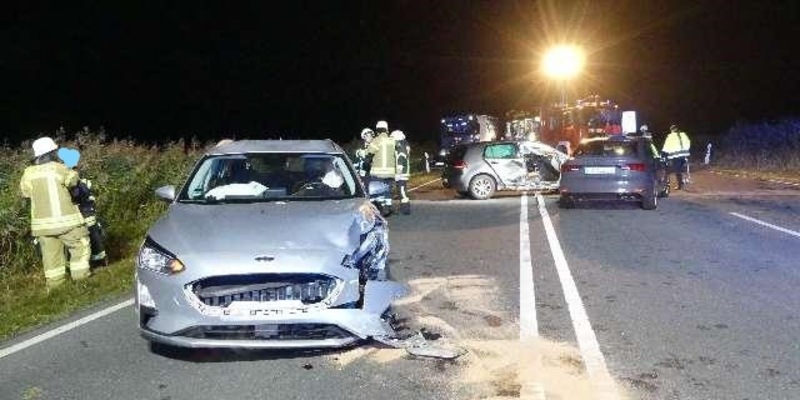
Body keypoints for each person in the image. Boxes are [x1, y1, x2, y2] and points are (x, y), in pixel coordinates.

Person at [20, 137, 91, 290]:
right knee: (80, 248)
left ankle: (56, 288)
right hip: (68, 223)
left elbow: (25, 193)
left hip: (43, 228)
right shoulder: (59, 168)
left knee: (51, 260)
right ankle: (81, 282)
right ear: (52, 152)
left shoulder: (28, 173)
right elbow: (74, 182)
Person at [57, 148, 107, 266]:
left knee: (91, 234)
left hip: (84, 212)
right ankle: (95, 260)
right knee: (88, 235)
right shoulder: (74, 177)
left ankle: (98, 260)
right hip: (83, 211)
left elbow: (77, 194)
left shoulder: (75, 179)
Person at [367, 121, 397, 208]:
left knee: (378, 191)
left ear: (377, 130)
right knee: (387, 190)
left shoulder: (376, 140)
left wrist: (367, 166)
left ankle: (381, 208)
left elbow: (369, 156)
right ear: (387, 130)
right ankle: (388, 207)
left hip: (378, 173)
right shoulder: (392, 141)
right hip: (390, 173)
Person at [661, 124, 691, 190]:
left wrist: (663, 154)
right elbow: (688, 142)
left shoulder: (671, 136)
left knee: (677, 171)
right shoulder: (683, 135)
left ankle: (680, 185)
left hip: (676, 156)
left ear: (671, 130)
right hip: (684, 155)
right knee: (681, 169)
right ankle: (683, 180)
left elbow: (666, 146)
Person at [391, 130, 411, 215]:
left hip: (402, 173)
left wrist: (398, 172)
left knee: (402, 191)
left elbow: (401, 157)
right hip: (404, 172)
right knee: (401, 190)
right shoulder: (405, 143)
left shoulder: (400, 144)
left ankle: (406, 209)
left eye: (392, 138)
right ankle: (403, 207)